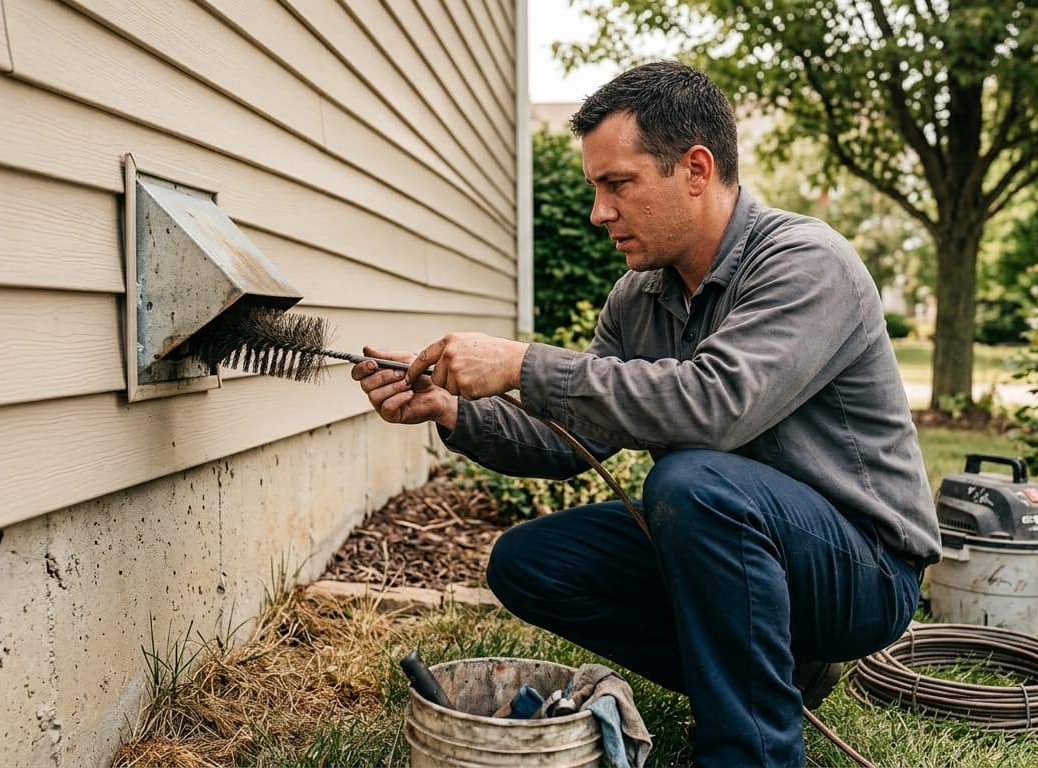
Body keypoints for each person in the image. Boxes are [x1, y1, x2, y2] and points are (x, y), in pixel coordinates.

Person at [352, 61, 940, 767]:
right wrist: (450, 411)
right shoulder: (639, 298)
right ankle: (771, 679)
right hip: (734, 535)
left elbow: (714, 407)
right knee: (530, 563)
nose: (600, 211)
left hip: (862, 567)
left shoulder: (805, 263)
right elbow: (570, 442)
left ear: (696, 168)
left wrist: (522, 364)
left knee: (691, 481)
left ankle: (750, 750)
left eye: (617, 184)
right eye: (596, 187)